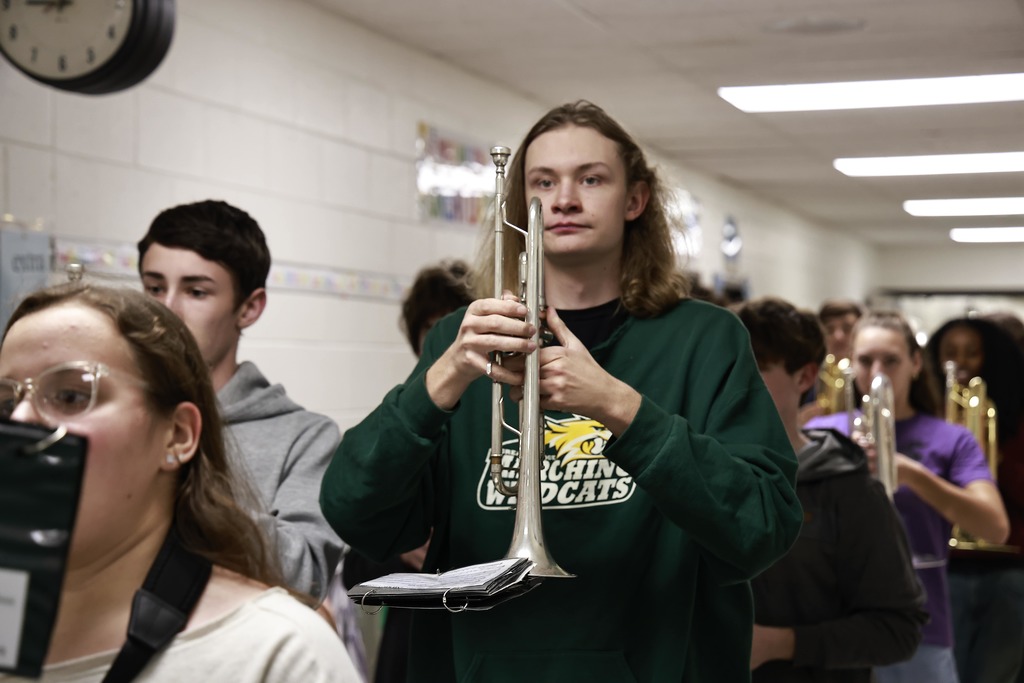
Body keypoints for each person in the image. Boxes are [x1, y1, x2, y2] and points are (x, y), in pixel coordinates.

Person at [320, 100, 803, 682]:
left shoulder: (705, 338)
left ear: (635, 200)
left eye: (590, 179)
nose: (565, 199)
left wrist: (617, 406)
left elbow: (762, 530)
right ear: (519, 204)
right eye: (543, 181)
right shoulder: (461, 338)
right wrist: (441, 380)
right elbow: (357, 513)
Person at [0, 283, 360, 682]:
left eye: (70, 396)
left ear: (177, 435)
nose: (19, 422)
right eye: (4, 403)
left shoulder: (279, 653)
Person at [137, 200, 343, 601]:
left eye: (196, 291)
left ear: (249, 308)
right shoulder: (120, 413)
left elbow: (305, 576)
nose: (166, 310)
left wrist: (180, 489)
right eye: (154, 288)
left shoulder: (304, 436)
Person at [805, 310, 1010, 683]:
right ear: (851, 364)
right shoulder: (821, 432)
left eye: (892, 360)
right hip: (832, 623)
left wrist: (910, 473)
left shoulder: (950, 439)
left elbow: (994, 527)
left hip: (922, 629)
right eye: (866, 360)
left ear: (916, 364)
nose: (878, 372)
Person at [735, 296, 926, 683]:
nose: (730, 386)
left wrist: (782, 643)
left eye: (753, 370)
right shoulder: (694, 476)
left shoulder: (851, 490)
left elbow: (899, 629)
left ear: (804, 377)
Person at [335, 258, 473, 683]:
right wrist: (399, 551)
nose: (443, 347)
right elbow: (357, 572)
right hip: (411, 640)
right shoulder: (400, 429)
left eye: (454, 329)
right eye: (431, 333)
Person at [926, 316, 1024, 683]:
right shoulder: (926, 418)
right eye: (949, 353)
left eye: (972, 353)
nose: (960, 363)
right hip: (943, 565)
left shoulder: (1013, 418)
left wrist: (992, 459)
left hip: (1009, 568)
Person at [798, 299, 865, 426]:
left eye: (847, 328)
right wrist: (800, 423)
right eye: (829, 330)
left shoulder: (869, 378)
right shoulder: (808, 379)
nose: (838, 337)